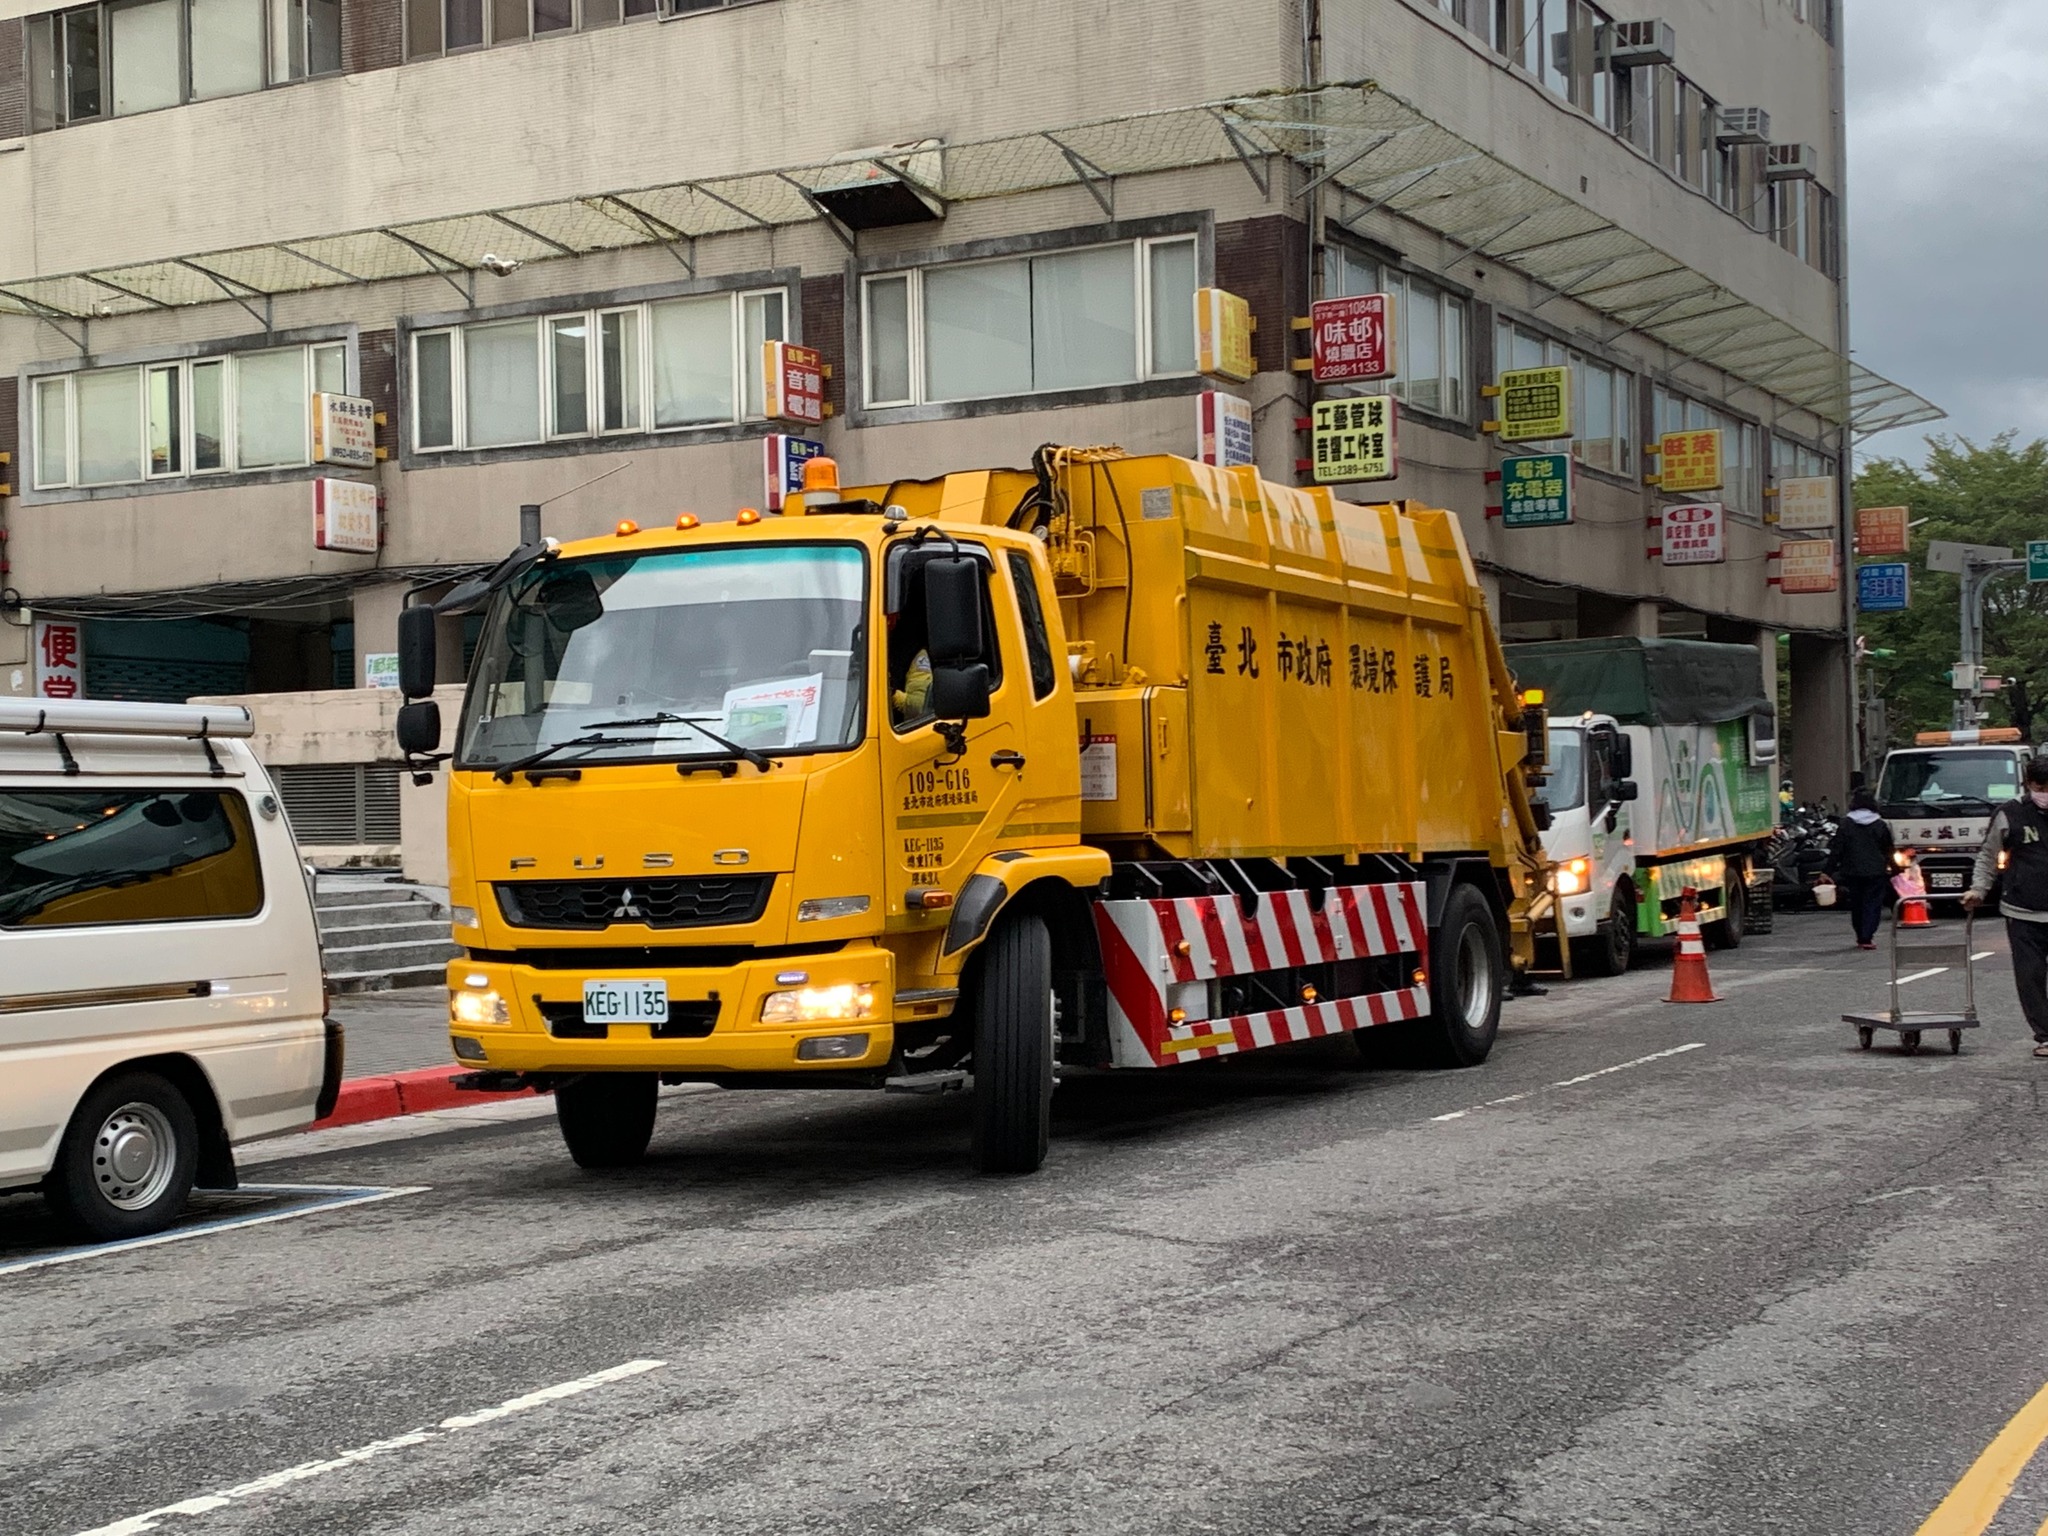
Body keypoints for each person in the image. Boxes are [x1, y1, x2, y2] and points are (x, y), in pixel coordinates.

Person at [1964, 755, 2048, 1058]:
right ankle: (2045, 1035)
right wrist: (1978, 889)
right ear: (2028, 784)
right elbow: (1988, 856)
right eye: (2041, 787)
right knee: (2031, 976)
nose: (2045, 793)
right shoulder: (2009, 814)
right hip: (2022, 911)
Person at [1825, 788, 1895, 950]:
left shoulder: (1846, 824)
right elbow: (1888, 850)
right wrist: (1897, 870)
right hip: (1876, 871)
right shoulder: (1880, 824)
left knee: (1857, 903)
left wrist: (1827, 872)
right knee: (1872, 903)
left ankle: (1860, 935)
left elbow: (1837, 850)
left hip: (1852, 871)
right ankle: (1867, 935)